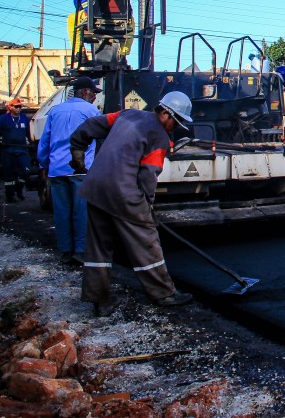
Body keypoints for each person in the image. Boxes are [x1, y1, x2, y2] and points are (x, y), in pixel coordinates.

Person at [69, 92, 196, 316]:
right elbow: (148, 176)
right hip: (123, 193)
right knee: (146, 241)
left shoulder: (126, 115)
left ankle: (99, 300)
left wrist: (78, 146)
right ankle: (163, 293)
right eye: (176, 122)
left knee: (98, 246)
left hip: (96, 188)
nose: (175, 128)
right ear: (166, 113)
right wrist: (147, 208)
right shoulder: (159, 136)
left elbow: (91, 125)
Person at [36, 76, 101, 264]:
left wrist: (44, 164)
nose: (94, 97)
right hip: (80, 170)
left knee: (62, 211)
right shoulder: (91, 111)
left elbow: (45, 141)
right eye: (93, 93)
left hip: (57, 169)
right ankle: (80, 251)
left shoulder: (55, 111)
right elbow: (101, 136)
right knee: (81, 211)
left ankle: (65, 250)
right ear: (84, 92)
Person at [0, 98, 31, 203]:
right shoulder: (4, 119)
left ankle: (19, 189)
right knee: (9, 173)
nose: (18, 109)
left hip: (22, 150)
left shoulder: (24, 118)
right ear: (10, 107)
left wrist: (30, 141)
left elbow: (29, 133)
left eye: (20, 107)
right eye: (16, 107)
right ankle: (10, 195)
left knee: (26, 170)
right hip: (8, 150)